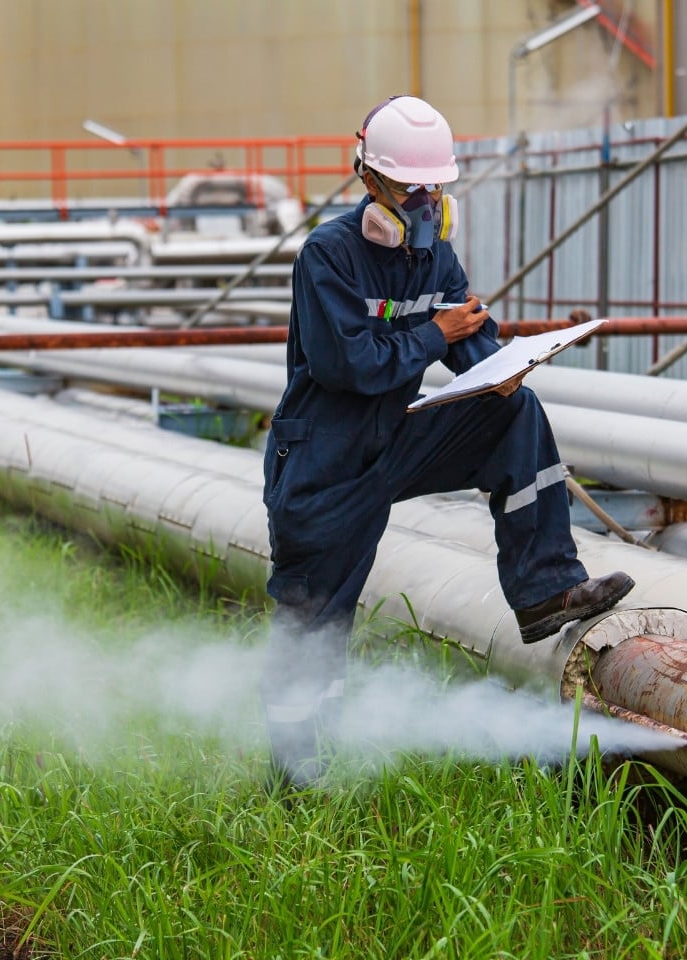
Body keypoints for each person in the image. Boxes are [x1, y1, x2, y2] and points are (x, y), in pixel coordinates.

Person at [260, 95, 634, 790]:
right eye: (411, 188)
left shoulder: (436, 261)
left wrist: (500, 370)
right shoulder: (327, 257)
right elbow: (350, 366)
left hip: (396, 438)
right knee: (314, 620)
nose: (426, 203)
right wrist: (439, 336)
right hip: (324, 460)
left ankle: (545, 589)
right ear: (368, 180)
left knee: (516, 413)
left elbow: (472, 340)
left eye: (436, 188)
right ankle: (294, 775)